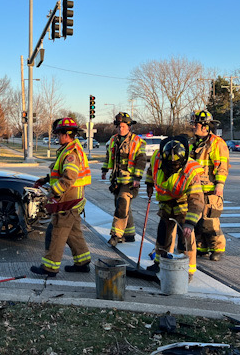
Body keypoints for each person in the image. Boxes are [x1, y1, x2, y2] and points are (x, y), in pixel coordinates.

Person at [31, 117, 92, 277]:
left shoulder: (71, 153)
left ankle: (50, 268)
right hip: (73, 202)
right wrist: (45, 179)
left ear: (67, 134)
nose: (57, 137)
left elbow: (69, 178)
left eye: (58, 134)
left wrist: (53, 193)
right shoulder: (70, 149)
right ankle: (83, 262)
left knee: (58, 233)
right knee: (74, 233)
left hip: (67, 202)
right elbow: (60, 173)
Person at [145, 136, 205, 283]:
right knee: (162, 234)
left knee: (185, 240)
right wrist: (149, 184)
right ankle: (159, 263)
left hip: (183, 204)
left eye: (176, 164)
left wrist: (189, 224)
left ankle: (187, 271)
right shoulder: (157, 158)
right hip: (166, 203)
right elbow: (151, 172)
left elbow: (197, 201)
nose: (173, 167)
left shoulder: (190, 171)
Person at [101, 112, 147, 247]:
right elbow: (108, 157)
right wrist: (104, 170)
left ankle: (116, 235)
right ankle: (130, 234)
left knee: (121, 205)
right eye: (119, 126)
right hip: (116, 180)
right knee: (123, 206)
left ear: (129, 126)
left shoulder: (137, 141)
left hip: (130, 181)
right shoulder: (113, 140)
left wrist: (137, 178)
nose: (121, 129)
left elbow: (141, 161)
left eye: (123, 126)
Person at [189, 110, 229, 261]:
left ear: (205, 126)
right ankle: (202, 247)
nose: (193, 126)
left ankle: (217, 248)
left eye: (195, 124)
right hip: (195, 188)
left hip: (210, 188)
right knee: (197, 219)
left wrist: (219, 185)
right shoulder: (193, 142)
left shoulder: (217, 143)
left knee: (210, 221)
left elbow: (222, 167)